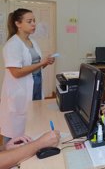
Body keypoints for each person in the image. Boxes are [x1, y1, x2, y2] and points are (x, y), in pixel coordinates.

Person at [0, 8, 56, 143]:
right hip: (19, 93)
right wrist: (40, 63)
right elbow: (16, 72)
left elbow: (36, 66)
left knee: (32, 123)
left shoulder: (32, 42)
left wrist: (46, 63)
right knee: (14, 130)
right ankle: (8, 157)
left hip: (35, 89)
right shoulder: (12, 44)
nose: (34, 24)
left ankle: (30, 150)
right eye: (29, 21)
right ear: (18, 24)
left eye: (34, 21)